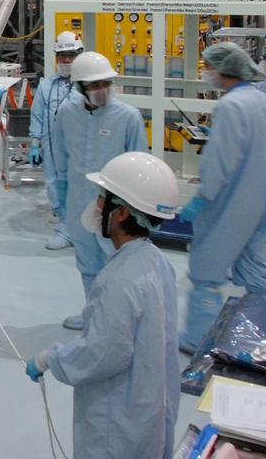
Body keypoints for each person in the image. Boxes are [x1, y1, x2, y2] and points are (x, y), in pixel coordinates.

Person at [24, 151, 180, 459]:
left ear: (121, 213)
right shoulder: (156, 262)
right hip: (149, 411)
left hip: (118, 425)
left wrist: (50, 359)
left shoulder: (117, 280)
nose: (96, 205)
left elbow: (103, 354)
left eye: (102, 197)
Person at [47, 51, 146, 329]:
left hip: (117, 206)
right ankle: (94, 316)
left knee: (116, 265)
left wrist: (135, 211)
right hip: (79, 200)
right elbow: (62, 158)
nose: (101, 90)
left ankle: (119, 321)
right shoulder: (67, 114)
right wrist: (61, 197)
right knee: (87, 264)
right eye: (94, 85)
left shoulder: (128, 117)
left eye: (105, 83)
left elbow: (139, 162)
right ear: (79, 87)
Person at [178, 42, 266, 353]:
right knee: (259, 277)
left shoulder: (230, 106)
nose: (207, 72)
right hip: (258, 202)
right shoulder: (258, 98)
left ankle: (199, 339)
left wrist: (200, 199)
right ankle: (255, 339)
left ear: (223, 69)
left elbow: (219, 164)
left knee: (206, 272)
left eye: (208, 66)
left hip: (228, 204)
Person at [29, 31, 83, 250]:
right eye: (62, 56)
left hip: (80, 149)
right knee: (55, 184)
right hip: (53, 149)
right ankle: (65, 227)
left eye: (71, 55)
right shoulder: (46, 86)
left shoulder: (87, 86)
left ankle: (83, 229)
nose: (67, 60)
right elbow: (38, 115)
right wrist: (34, 144)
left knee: (81, 186)